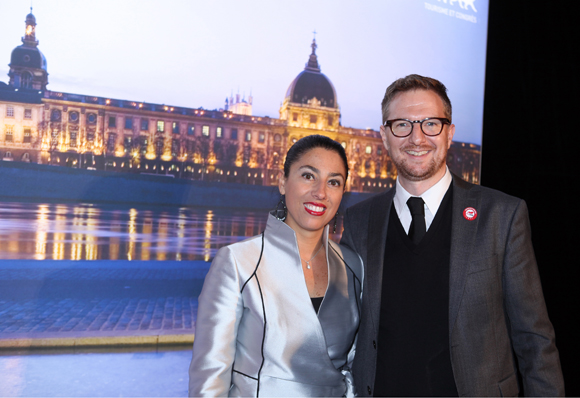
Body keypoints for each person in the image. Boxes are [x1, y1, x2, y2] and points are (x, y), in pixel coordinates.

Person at [341, 74, 564, 397]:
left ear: (449, 134)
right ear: (385, 136)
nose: (417, 138)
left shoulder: (502, 215)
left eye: (430, 124)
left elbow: (535, 340)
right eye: (402, 124)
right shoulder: (360, 220)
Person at [189, 134, 363, 397]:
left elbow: (351, 370)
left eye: (334, 182)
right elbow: (210, 378)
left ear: (342, 193)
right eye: (308, 176)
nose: (320, 192)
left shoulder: (353, 266)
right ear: (282, 182)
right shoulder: (237, 263)